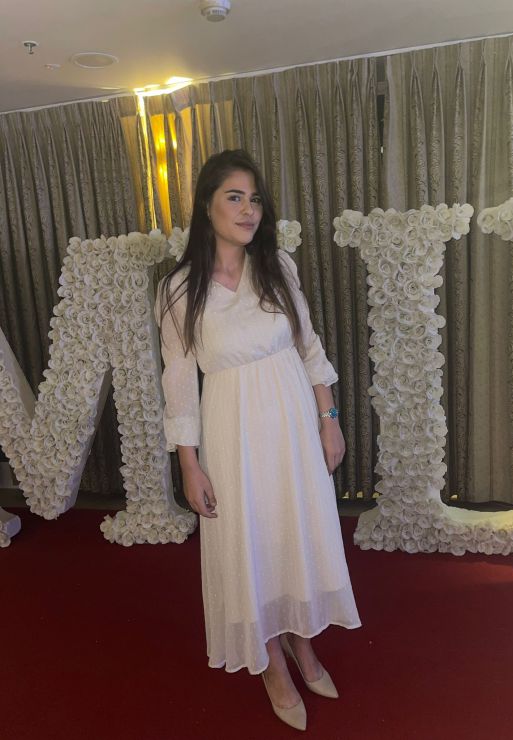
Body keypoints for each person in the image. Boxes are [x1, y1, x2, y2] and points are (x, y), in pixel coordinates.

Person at [156, 149, 361, 731]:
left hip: (292, 422)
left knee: (293, 531)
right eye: (234, 197)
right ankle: (271, 662)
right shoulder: (178, 290)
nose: (249, 210)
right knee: (249, 541)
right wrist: (189, 465)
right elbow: (179, 381)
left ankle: (303, 641)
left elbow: (308, 345)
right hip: (232, 429)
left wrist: (328, 417)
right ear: (207, 205)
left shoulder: (277, 266)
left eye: (255, 199)